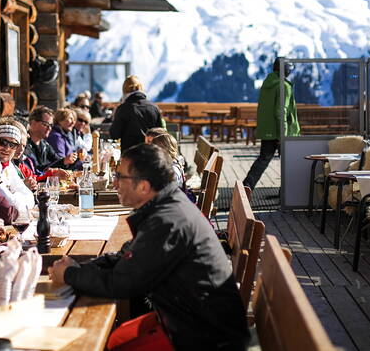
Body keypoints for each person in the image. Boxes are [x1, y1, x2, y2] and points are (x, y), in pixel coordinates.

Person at [49, 144, 249, 350]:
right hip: (191, 321)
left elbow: (123, 284)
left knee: (104, 343)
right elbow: (128, 257)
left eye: (120, 177)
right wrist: (78, 268)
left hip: (204, 338)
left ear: (144, 186)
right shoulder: (167, 206)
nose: (115, 183)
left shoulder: (167, 221)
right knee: (117, 338)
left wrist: (69, 275)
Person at [242, 58, 300, 190]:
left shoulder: (268, 83)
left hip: (268, 130)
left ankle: (247, 186)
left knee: (262, 160)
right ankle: (288, 194)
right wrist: (282, 135)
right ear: (286, 70)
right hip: (281, 132)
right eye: (289, 69)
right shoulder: (284, 86)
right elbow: (281, 112)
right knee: (289, 163)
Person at [0, 124, 37, 217]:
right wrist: (18, 195)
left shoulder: (9, 166)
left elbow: (30, 199)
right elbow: (11, 203)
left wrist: (15, 195)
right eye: (2, 142)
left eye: (13, 145)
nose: (7, 148)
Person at [109, 75, 164, 151]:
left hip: (130, 155)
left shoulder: (123, 109)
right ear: (141, 88)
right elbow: (160, 134)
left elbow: (114, 134)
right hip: (151, 154)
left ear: (124, 90)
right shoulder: (154, 107)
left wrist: (114, 116)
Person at [24, 106, 73, 179]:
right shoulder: (24, 144)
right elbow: (36, 170)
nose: (49, 128)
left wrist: (74, 159)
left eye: (50, 125)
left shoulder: (44, 144)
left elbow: (57, 161)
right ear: (33, 122)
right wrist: (63, 162)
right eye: (45, 124)